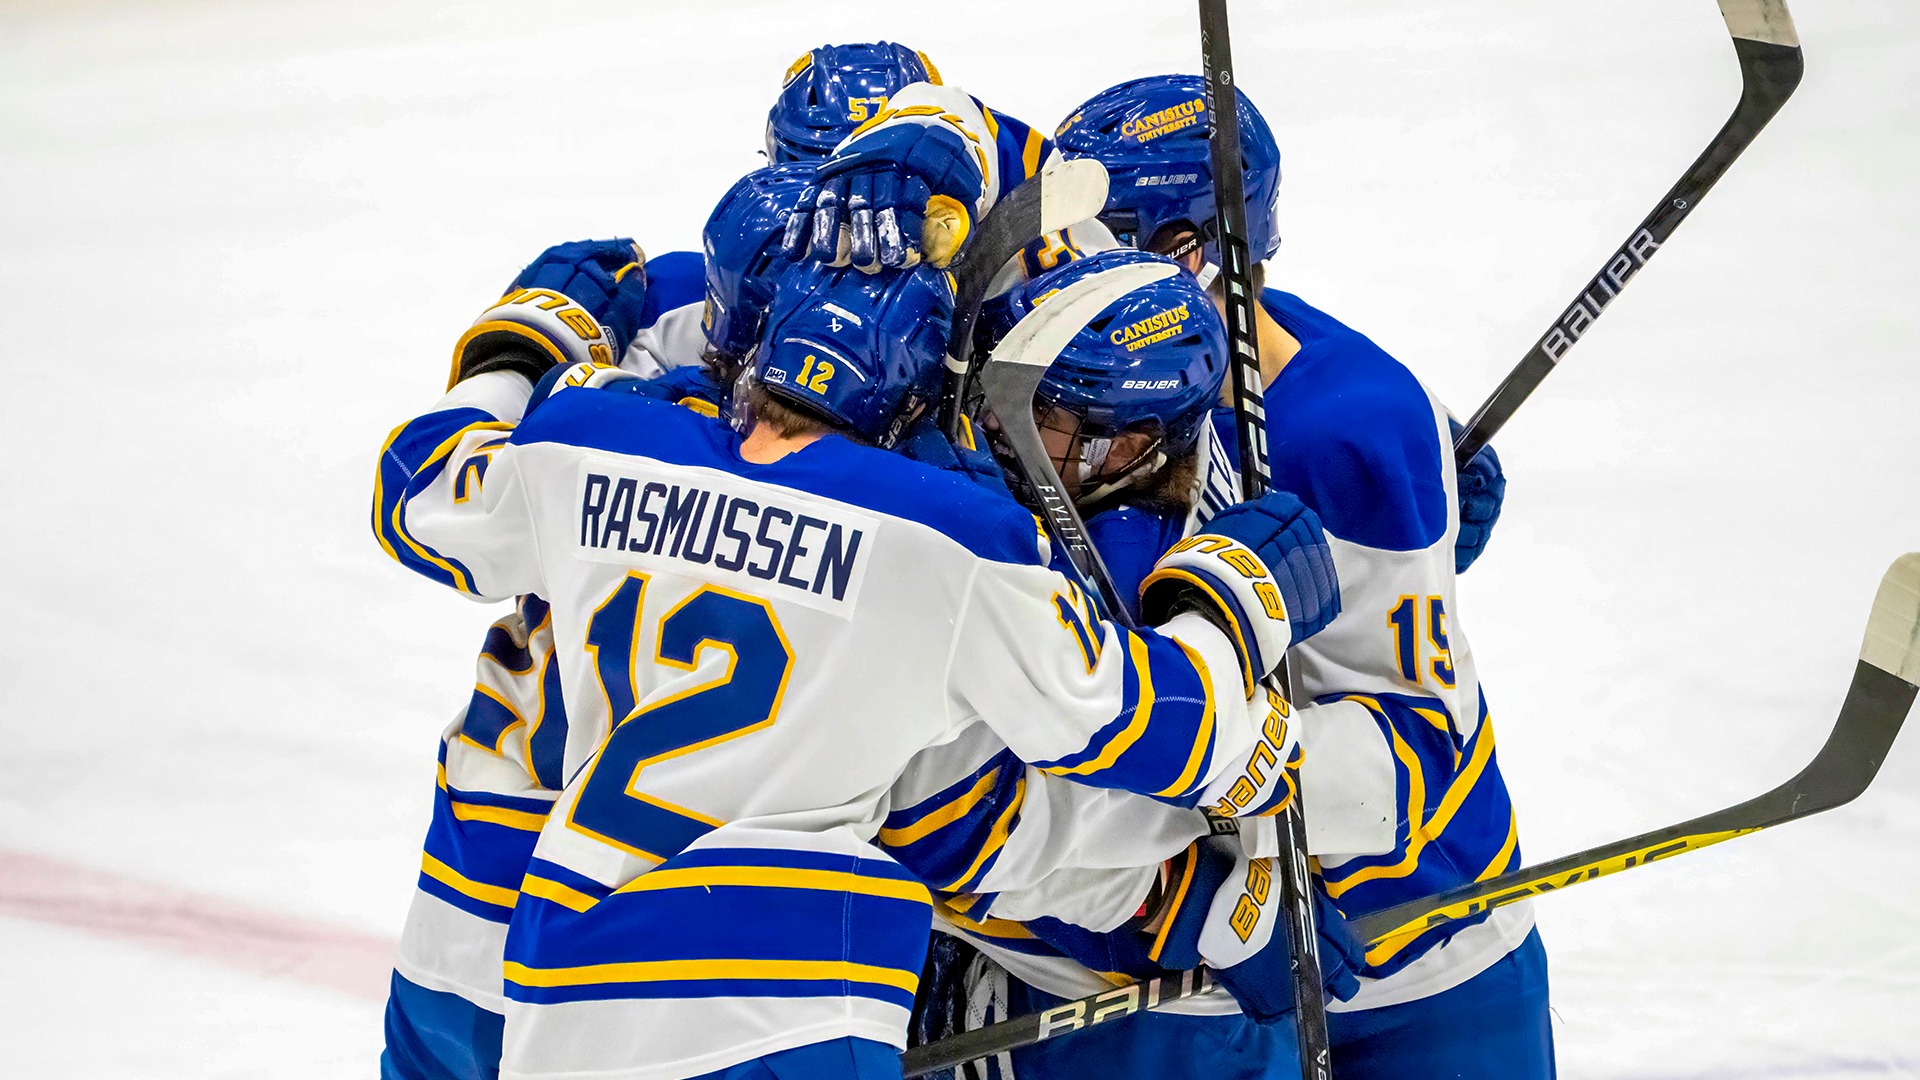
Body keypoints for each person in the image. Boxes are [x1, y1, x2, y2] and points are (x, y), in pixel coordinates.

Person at [372, 217, 1353, 1080]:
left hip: (553, 975)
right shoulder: (940, 534)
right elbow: (1148, 732)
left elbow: (416, 490)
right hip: (789, 1000)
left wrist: (522, 339)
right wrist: (1234, 609)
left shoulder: (586, 438)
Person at [1053, 74, 1552, 1078]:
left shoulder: (1344, 425)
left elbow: (1402, 767)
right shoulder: (1090, 371)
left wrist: (1168, 757)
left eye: (1098, 245)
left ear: (1191, 253)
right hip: (1193, 977)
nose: (1062, 274)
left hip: (1418, 958)